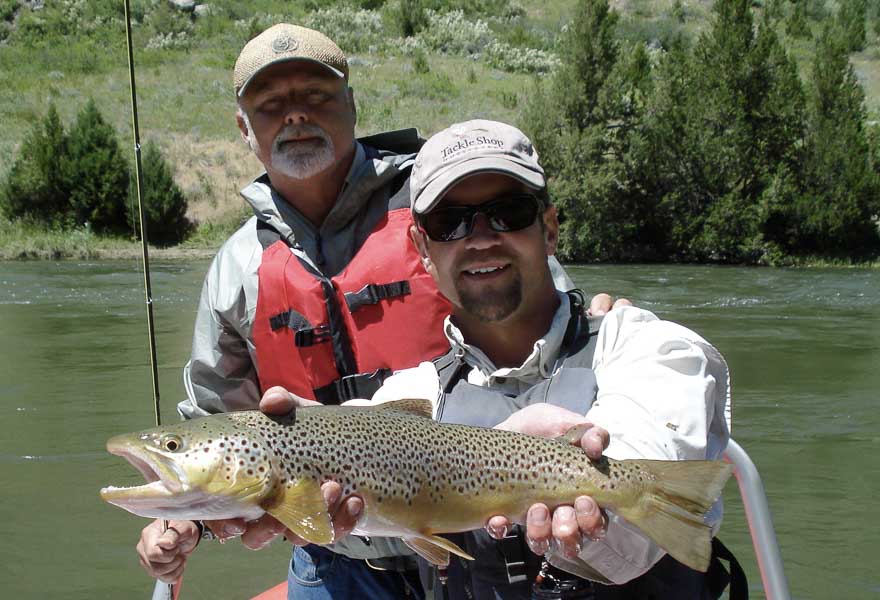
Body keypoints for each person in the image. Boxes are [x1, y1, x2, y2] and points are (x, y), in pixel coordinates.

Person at [134, 25, 618, 600]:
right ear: (244, 127)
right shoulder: (236, 268)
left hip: (482, 541)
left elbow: (546, 311)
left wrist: (602, 318)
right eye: (271, 105)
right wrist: (187, 516)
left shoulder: (443, 206)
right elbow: (218, 424)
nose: (295, 116)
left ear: (351, 104)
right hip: (334, 560)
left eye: (316, 96)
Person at [346, 119, 737, 598]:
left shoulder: (644, 347)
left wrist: (550, 475)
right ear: (423, 250)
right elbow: (345, 450)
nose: (482, 238)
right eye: (452, 222)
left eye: (508, 213)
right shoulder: (412, 394)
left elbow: (645, 488)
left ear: (548, 230)